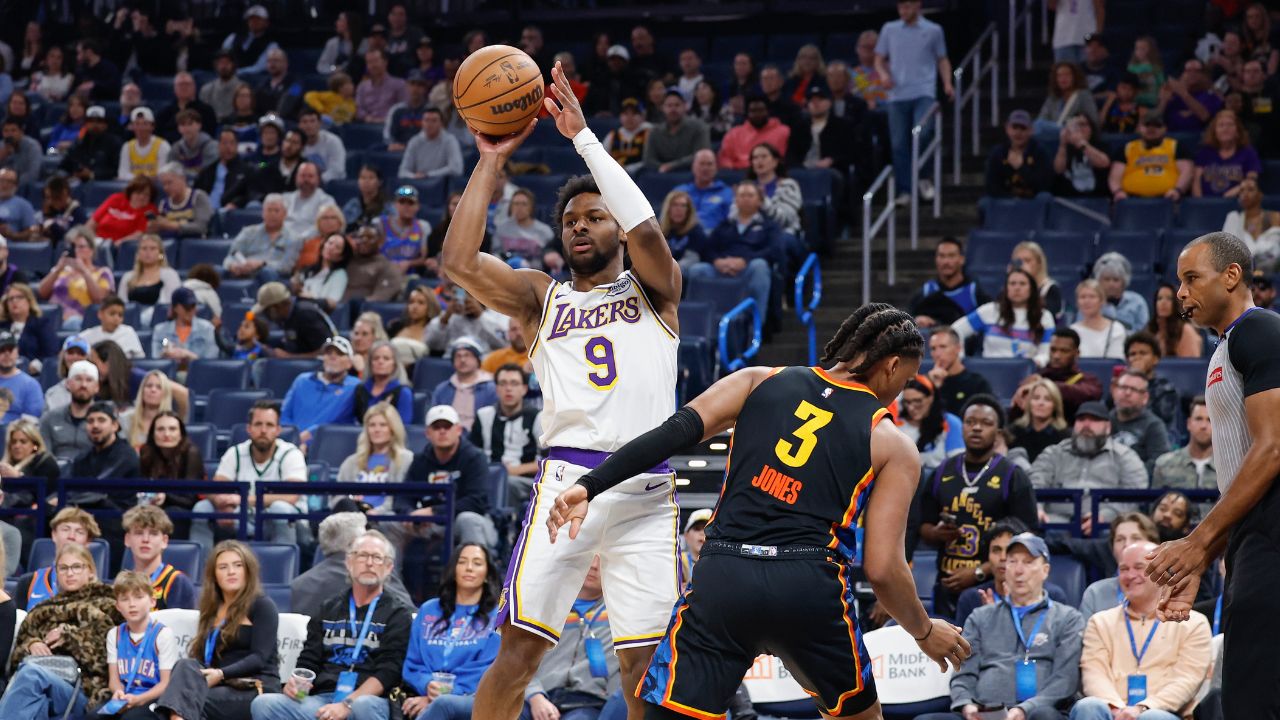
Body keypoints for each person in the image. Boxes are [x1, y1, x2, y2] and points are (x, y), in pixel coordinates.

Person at [547, 303, 970, 719]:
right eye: (908, 378)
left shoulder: (758, 380)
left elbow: (672, 433)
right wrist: (924, 631)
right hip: (809, 587)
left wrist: (591, 484)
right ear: (892, 365)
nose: (901, 390)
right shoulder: (892, 442)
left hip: (724, 577)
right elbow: (882, 569)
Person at [442, 61, 685, 720]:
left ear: (616, 229)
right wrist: (490, 161)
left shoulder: (656, 291)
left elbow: (650, 233)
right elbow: (458, 262)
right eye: (571, 219)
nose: (580, 225)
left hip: (646, 483)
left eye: (595, 216)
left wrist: (584, 140)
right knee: (518, 652)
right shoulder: (539, 298)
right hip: (566, 478)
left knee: (645, 663)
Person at [1143, 235, 1280, 718]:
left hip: (1272, 529)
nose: (1180, 292)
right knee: (1248, 690)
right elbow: (1245, 464)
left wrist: (1198, 543)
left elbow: (1272, 450)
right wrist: (1208, 556)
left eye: (1191, 278)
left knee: (1256, 696)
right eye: (1179, 281)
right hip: (1251, 531)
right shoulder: (1226, 345)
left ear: (1232, 276)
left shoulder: (1259, 331)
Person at [915, 533, 1084, 720]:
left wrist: (1025, 709)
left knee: (1044, 716)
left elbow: (1065, 680)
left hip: (1035, 713)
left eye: (1028, 562)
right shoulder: (980, 617)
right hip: (985, 713)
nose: (1019, 570)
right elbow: (963, 674)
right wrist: (967, 705)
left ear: (1045, 570)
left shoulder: (1068, 618)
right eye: (1012, 562)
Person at [250, 530, 412, 720]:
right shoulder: (328, 608)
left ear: (388, 567)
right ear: (349, 563)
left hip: (368, 701)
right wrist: (296, 684)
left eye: (377, 558)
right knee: (264, 704)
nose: (369, 563)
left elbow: (389, 672)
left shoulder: (398, 613)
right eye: (362, 556)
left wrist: (347, 704)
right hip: (322, 700)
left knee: (363, 706)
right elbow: (309, 660)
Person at [918, 395, 1040, 619]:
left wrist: (979, 573)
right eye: (970, 421)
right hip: (946, 582)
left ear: (998, 432)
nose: (976, 428)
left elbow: (1028, 536)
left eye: (986, 423)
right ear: (961, 426)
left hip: (996, 587)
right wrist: (936, 533)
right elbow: (922, 525)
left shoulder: (1012, 475)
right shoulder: (941, 472)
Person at [1070, 542, 1212, 720]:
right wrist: (1116, 708)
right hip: (1113, 711)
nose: (1130, 575)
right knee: (1088, 706)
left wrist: (1142, 708)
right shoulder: (1100, 622)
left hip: (1164, 712)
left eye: (1139, 567)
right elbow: (1094, 672)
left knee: (1152, 718)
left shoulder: (1193, 623)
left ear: (1162, 573)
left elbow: (1186, 680)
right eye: (1123, 569)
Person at [153, 540, 282, 720]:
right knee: (185, 665)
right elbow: (204, 658)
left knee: (184, 703)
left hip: (254, 686)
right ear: (214, 575)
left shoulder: (261, 605)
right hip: (219, 684)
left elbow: (259, 658)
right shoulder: (211, 609)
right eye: (223, 567)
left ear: (248, 570)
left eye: (238, 565)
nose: (231, 572)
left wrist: (221, 674)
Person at [0, 543, 121, 719]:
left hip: (83, 690)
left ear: (91, 571)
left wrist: (71, 638)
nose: (69, 573)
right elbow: (14, 663)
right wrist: (31, 644)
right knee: (36, 704)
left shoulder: (109, 606)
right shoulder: (41, 611)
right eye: (63, 568)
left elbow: (107, 657)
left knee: (32, 674)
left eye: (76, 567)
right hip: (41, 686)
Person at [517, 557, 632, 720]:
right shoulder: (546, 605)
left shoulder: (621, 614)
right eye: (591, 557)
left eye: (603, 560)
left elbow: (633, 667)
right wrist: (535, 696)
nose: (594, 566)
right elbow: (521, 660)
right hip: (539, 697)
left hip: (587, 703)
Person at [401, 543, 502, 720]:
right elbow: (413, 663)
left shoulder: (497, 616)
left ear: (487, 574)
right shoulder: (428, 610)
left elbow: (487, 669)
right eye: (462, 562)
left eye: (477, 563)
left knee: (443, 705)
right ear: (454, 569)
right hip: (422, 693)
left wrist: (447, 693)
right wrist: (427, 685)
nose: (469, 568)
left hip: (472, 699)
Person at [197, 400, 307, 550]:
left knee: (280, 509)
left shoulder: (291, 454)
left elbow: (291, 496)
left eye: (269, 425)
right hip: (242, 517)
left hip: (288, 523)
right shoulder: (235, 453)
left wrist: (242, 500)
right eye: (258, 424)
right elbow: (217, 487)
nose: (263, 430)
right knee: (202, 508)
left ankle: (283, 568)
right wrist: (221, 502)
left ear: (278, 430)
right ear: (249, 429)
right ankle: (201, 568)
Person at [875, 0, 953, 205]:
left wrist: (947, 83)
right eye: (900, 7)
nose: (903, 11)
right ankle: (905, 190)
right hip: (896, 94)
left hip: (924, 91)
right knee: (899, 143)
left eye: (907, 6)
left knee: (924, 131)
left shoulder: (934, 30)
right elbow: (879, 58)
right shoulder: (889, 29)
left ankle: (924, 177)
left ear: (918, 5)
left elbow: (942, 58)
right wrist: (883, 74)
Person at [1030, 401, 1149, 525]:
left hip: (1106, 527)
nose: (1086, 425)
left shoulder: (1125, 456)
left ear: (1108, 427)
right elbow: (1035, 483)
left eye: (1094, 420)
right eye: (1081, 419)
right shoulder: (1054, 453)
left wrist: (1104, 516)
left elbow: (1134, 495)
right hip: (1053, 523)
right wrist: (1036, 508)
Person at [953, 518, 1071, 626]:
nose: (1003, 557)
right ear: (987, 557)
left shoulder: (1052, 596)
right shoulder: (972, 598)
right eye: (996, 550)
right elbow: (964, 648)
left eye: (1010, 552)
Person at [686, 181, 780, 317]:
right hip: (722, 268)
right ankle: (694, 322)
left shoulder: (769, 226)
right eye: (742, 195)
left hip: (749, 269)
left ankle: (756, 326)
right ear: (736, 200)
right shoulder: (725, 225)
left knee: (760, 266)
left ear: (760, 201)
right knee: (697, 270)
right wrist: (717, 261)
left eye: (750, 195)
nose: (746, 199)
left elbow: (774, 251)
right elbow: (707, 249)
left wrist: (745, 261)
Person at [102, 569, 180, 720]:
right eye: (125, 599)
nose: (132, 604)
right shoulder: (114, 634)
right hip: (125, 697)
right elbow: (114, 680)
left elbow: (166, 684)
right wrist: (118, 692)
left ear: (152, 601)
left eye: (138, 597)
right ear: (117, 606)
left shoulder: (163, 634)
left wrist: (139, 699)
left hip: (155, 698)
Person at [951, 269, 1056, 365]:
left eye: (1022, 284)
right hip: (989, 371)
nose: (1017, 288)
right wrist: (960, 357)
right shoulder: (990, 311)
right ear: (1006, 288)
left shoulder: (1044, 317)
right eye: (1012, 283)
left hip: (1027, 375)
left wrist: (1035, 363)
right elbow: (955, 331)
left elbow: (1045, 353)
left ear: (1032, 289)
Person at [471, 363, 541, 502]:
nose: (508, 388)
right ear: (496, 389)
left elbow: (549, 461)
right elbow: (473, 454)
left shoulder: (537, 417)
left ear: (524, 389)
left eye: (514, 383)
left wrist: (512, 471)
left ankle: (501, 521)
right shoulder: (483, 415)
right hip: (488, 476)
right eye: (503, 384)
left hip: (525, 481)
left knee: (507, 484)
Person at [1075, 514, 1163, 618]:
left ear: (1153, 547)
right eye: (1120, 539)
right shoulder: (1095, 593)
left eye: (1136, 538)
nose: (1127, 544)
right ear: (1112, 549)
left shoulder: (1173, 592)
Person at [12, 507, 99, 610]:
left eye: (79, 532)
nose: (71, 536)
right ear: (54, 534)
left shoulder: (100, 593)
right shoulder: (28, 583)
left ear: (88, 541)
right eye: (65, 529)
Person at [281, 336, 360, 446]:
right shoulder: (302, 380)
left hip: (328, 445)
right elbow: (284, 415)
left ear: (350, 363)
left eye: (340, 354)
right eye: (328, 353)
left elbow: (341, 421)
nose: (333, 357)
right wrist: (293, 438)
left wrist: (310, 436)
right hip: (291, 443)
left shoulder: (354, 386)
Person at [1013, 328, 1104, 422]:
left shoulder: (1088, 380)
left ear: (1077, 354)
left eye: (1064, 351)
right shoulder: (1036, 377)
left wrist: (1044, 386)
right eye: (1053, 350)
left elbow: (1087, 394)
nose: (1056, 356)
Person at [137, 409, 204, 532]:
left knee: (169, 513)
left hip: (182, 508)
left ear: (181, 434)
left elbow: (190, 499)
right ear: (152, 433)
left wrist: (166, 497)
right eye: (160, 429)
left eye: (172, 429)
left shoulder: (191, 453)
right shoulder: (146, 452)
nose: (166, 434)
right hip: (151, 506)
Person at [121, 505, 197, 610]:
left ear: (164, 541)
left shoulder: (178, 583)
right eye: (139, 533)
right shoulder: (121, 583)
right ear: (127, 539)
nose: (145, 539)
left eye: (153, 533)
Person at [910, 237, 991, 329]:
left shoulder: (975, 292)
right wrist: (917, 320)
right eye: (942, 256)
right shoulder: (925, 291)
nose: (946, 262)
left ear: (962, 259)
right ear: (936, 259)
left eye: (951, 256)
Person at [1108, 114, 1193, 201]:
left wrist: (1177, 190)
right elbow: (1115, 176)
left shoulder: (1176, 146)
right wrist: (1118, 192)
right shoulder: (1127, 148)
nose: (1151, 129)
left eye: (1157, 126)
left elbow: (1187, 172)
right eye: (1147, 125)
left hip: (1168, 200)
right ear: (1140, 127)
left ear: (1164, 129)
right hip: (1131, 200)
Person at [1109, 369, 1172, 473]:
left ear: (1145, 397)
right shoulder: (1104, 420)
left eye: (1134, 389)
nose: (1127, 393)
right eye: (1123, 387)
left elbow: (1159, 462)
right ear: (1114, 391)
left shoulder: (1154, 425)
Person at [897, 374, 962, 474]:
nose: (911, 408)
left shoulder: (950, 423)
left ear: (931, 398)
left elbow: (958, 462)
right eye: (907, 402)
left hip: (938, 480)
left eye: (917, 401)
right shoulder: (896, 423)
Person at [430, 336, 496, 431]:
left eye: (467, 355)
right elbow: (434, 419)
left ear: (478, 360)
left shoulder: (491, 388)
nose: (462, 360)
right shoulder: (442, 389)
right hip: (450, 434)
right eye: (458, 356)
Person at [38, 359, 100, 460]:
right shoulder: (50, 419)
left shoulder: (105, 421)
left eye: (89, 380)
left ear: (97, 387)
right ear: (68, 384)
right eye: (78, 379)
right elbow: (43, 456)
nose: (83, 385)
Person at [985, 109, 1054, 198]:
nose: (1018, 133)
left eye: (1023, 128)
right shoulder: (998, 153)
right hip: (1006, 203)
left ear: (1031, 130)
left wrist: (1021, 168)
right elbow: (991, 186)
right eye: (1015, 127)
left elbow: (1044, 185)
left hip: (1033, 202)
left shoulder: (1040, 152)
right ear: (1007, 129)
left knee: (1044, 197)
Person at [925, 326, 994, 415]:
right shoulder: (926, 383)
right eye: (933, 349)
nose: (937, 354)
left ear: (958, 348)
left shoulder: (977, 383)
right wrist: (933, 388)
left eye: (943, 347)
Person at [1192, 109, 1260, 198]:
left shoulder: (1248, 152)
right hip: (1207, 203)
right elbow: (1196, 181)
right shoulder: (1205, 152)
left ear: (1238, 131)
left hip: (1236, 203)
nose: (1225, 128)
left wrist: (1236, 191)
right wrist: (1200, 203)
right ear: (1215, 132)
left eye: (1230, 125)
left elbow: (1251, 180)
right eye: (1221, 125)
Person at [1153, 397, 1216, 491]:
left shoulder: (1230, 469)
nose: (1203, 426)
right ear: (1189, 423)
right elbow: (1156, 504)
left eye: (1209, 420)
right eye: (1199, 419)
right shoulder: (1164, 464)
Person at [1122, 332, 1180, 432]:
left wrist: (1139, 378)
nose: (1137, 357)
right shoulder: (1121, 387)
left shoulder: (1166, 389)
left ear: (1155, 359)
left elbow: (1158, 420)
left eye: (1143, 353)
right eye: (1132, 354)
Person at [641, 89, 711, 173]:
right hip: (661, 175)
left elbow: (702, 155)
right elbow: (648, 159)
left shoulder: (699, 127)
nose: (673, 109)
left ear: (685, 106)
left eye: (677, 105)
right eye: (669, 105)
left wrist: (671, 166)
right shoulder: (654, 132)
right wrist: (662, 167)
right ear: (663, 108)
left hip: (691, 175)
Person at [1222, 177, 1280, 272]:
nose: (1245, 194)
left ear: (1260, 194)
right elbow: (1227, 250)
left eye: (1250, 189)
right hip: (1241, 271)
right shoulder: (1234, 219)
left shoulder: (1275, 217)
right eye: (1241, 190)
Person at [151, 287, 218, 368]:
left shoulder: (207, 328)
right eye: (187, 307)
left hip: (198, 374)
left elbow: (211, 360)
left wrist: (188, 355)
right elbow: (155, 359)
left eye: (193, 306)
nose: (191, 310)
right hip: (169, 375)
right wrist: (164, 355)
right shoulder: (160, 330)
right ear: (176, 308)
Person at [717, 96, 790, 170]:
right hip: (739, 174)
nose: (757, 114)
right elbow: (724, 158)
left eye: (761, 110)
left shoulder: (784, 132)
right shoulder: (733, 134)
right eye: (753, 111)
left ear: (768, 111)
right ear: (747, 113)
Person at [1153, 58, 1223, 135]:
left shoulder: (1211, 96)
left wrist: (1183, 93)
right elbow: (1154, 122)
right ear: (1181, 75)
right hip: (1170, 138)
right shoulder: (1172, 96)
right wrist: (1163, 101)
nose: (1192, 74)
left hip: (1198, 137)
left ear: (1204, 75)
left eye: (1197, 71)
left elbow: (1205, 117)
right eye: (1188, 71)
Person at [1010, 378, 1071, 463]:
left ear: (1055, 405)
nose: (1040, 403)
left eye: (1047, 399)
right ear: (1029, 402)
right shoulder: (1015, 432)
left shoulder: (1065, 437)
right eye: (1036, 398)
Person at [673, 149, 735, 233]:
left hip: (713, 239)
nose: (705, 168)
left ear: (716, 168)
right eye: (701, 164)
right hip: (682, 238)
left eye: (709, 164)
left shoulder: (727, 193)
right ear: (693, 167)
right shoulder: (680, 192)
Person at [343, 224, 407, 304]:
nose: (364, 240)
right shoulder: (346, 260)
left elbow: (381, 297)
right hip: (335, 308)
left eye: (370, 237)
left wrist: (359, 304)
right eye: (360, 237)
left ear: (380, 241)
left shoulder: (387, 267)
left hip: (363, 310)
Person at [1052, 113, 1112, 198]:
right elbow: (1059, 170)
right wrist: (1063, 145)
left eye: (1083, 124)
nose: (1079, 129)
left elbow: (1104, 163)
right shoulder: (1065, 148)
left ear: (1091, 128)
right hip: (1069, 199)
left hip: (1098, 198)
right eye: (1075, 126)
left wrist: (1081, 143)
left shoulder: (1101, 145)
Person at [59, 104, 122, 182]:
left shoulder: (114, 143)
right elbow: (64, 164)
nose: (94, 125)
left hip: (104, 185)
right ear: (86, 124)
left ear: (105, 124)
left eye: (99, 121)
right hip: (77, 184)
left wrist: (92, 174)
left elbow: (117, 170)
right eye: (90, 121)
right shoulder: (79, 142)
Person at [495, 189, 554, 270]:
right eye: (516, 204)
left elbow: (549, 256)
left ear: (531, 207)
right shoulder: (501, 228)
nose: (519, 208)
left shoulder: (544, 231)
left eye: (524, 204)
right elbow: (495, 254)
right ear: (511, 207)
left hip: (536, 273)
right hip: (506, 272)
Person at [381, 186, 433, 275]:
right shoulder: (381, 223)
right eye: (402, 202)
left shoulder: (423, 226)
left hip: (410, 275)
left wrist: (409, 263)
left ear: (417, 206)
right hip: (383, 272)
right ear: (395, 205)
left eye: (411, 203)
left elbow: (424, 257)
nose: (406, 206)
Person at [151, 163, 212, 238]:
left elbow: (202, 227)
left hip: (195, 245)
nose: (165, 188)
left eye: (169, 182)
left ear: (182, 179)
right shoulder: (163, 203)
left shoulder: (198, 197)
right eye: (163, 184)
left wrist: (171, 225)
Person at [399, 108, 463, 179]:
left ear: (441, 123)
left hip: (441, 185)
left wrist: (428, 175)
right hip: (418, 182)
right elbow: (402, 172)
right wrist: (414, 176)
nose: (429, 124)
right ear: (422, 123)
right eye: (426, 120)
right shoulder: (414, 141)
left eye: (434, 121)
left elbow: (456, 169)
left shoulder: (450, 140)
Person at [119, 370, 177, 448]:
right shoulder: (125, 419)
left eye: (159, 387)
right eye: (149, 386)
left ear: (165, 394)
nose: (153, 390)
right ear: (142, 391)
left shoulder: (173, 423)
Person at [1093, 252, 1150, 331]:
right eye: (1107, 279)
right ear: (1099, 281)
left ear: (1124, 282)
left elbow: (1143, 332)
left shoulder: (1137, 302)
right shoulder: (1090, 302)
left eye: (1116, 280)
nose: (1111, 284)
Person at [1070, 280, 1127, 359]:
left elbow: (1116, 361)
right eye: (1082, 297)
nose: (1087, 301)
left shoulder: (1116, 329)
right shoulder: (1072, 331)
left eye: (1092, 297)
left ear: (1102, 301)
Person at [281, 162, 336, 242]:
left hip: (310, 243)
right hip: (283, 242)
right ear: (296, 178)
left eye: (310, 176)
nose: (306, 180)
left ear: (318, 179)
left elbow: (323, 227)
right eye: (302, 176)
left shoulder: (326, 201)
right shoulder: (285, 198)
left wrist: (298, 240)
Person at [1147, 282, 1202, 358]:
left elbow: (1190, 365)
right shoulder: (1151, 329)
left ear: (1176, 303)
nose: (1163, 302)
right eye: (1159, 298)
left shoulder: (1186, 330)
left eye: (1169, 298)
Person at [356, 49, 408, 124]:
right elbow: (358, 108)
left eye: (376, 61)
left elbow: (403, 107)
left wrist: (387, 119)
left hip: (390, 125)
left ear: (385, 62)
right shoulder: (362, 87)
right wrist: (367, 118)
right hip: (367, 126)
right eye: (369, 62)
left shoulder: (399, 84)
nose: (373, 65)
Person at [166, 110, 217, 183]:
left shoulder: (211, 146)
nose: (186, 128)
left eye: (190, 124)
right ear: (178, 128)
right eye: (182, 124)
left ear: (199, 125)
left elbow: (209, 172)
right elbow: (170, 170)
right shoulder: (176, 148)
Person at [0, 330, 40, 421]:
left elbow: (31, 423)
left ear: (17, 351)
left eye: (10, 350)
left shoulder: (30, 385)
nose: (7, 354)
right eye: (1, 350)